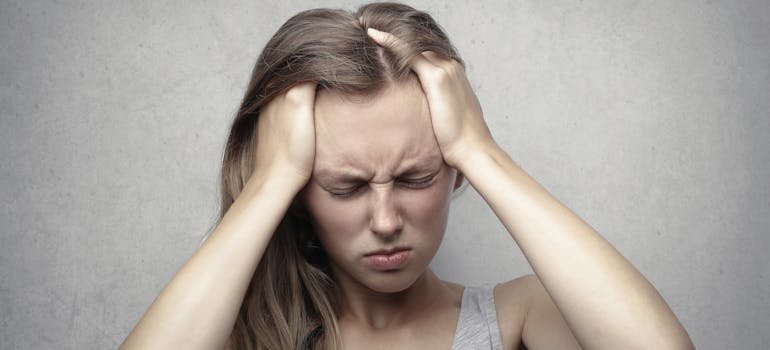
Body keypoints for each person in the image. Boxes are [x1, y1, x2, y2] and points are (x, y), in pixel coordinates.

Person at [121, 3, 694, 349]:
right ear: (299, 197)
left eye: (416, 177)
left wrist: (480, 149)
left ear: (453, 172)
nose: (387, 221)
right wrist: (270, 180)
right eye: (344, 187)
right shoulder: (231, 334)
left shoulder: (520, 316)